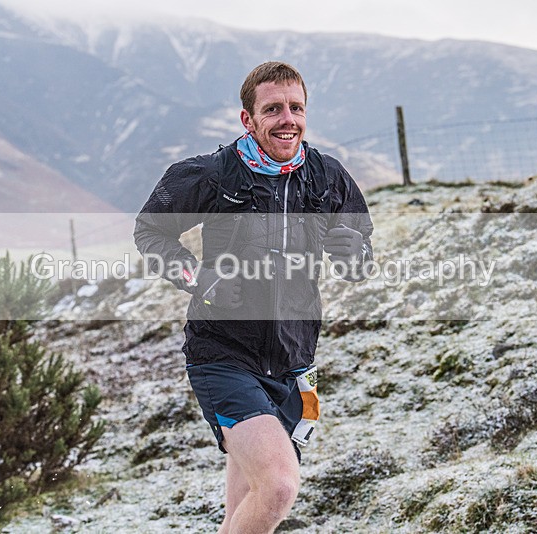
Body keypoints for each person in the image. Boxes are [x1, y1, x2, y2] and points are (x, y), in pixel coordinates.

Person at [134, 61, 374, 533]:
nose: (288, 119)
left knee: (245, 508)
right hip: (222, 355)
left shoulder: (327, 178)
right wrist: (200, 277)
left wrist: (353, 252)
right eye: (273, 109)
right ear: (248, 119)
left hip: (293, 362)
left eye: (296, 107)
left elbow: (360, 265)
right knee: (280, 486)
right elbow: (150, 232)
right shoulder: (213, 174)